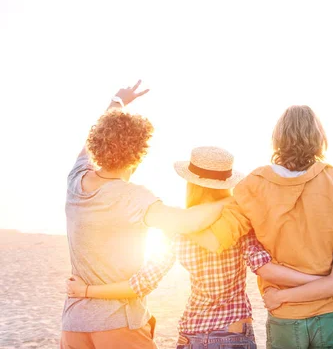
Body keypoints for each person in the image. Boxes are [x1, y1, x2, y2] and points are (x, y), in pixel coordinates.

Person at [191, 106, 333, 349]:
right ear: (319, 139)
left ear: (277, 139)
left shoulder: (253, 185)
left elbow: (215, 240)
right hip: (331, 313)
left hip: (285, 313)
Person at [67, 146, 333, 348]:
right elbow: (265, 268)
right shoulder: (239, 221)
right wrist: (318, 280)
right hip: (233, 332)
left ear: (190, 183)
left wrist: (88, 290)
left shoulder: (178, 227)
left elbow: (141, 283)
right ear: (227, 183)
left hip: (192, 333)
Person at [61, 82, 227, 349]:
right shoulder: (133, 197)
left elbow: (90, 141)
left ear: (96, 144)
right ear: (138, 155)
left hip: (73, 325)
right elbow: (188, 222)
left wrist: (117, 101)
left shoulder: (76, 178)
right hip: (117, 325)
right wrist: (231, 198)